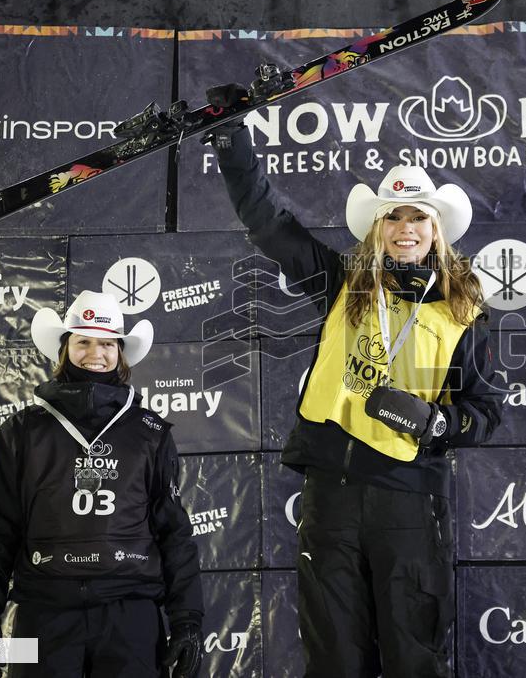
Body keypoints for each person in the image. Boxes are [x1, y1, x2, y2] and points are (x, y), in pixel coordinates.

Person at [206, 85, 504, 678]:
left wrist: (441, 423)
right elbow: (269, 223)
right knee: (335, 657)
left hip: (409, 497)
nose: (405, 227)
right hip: (332, 496)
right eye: (392, 216)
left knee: (414, 655)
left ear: (437, 228)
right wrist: (232, 136)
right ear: (376, 227)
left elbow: (487, 411)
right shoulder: (341, 280)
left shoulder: (465, 310)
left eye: (418, 216)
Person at [0, 290, 204, 678]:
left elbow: (174, 533)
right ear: (65, 349)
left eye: (107, 343)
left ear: (121, 353)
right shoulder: (22, 432)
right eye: (84, 341)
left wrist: (188, 621)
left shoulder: (151, 434)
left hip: (131, 615)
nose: (96, 352)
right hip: (45, 613)